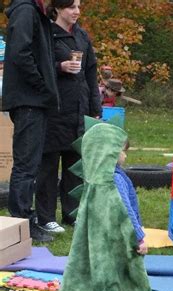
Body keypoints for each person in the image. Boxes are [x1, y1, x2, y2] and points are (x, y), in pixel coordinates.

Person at [52, 121, 153, 291]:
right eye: (121, 151)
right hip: (113, 245)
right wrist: (138, 238)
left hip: (96, 246)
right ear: (107, 152)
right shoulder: (111, 181)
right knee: (112, 281)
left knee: (98, 279)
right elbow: (125, 213)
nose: (125, 156)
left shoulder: (94, 181)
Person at [35, 0, 102, 234]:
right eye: (72, 7)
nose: (77, 12)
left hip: (79, 109)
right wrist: (59, 66)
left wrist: (95, 107)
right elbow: (36, 67)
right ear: (58, 9)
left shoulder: (81, 35)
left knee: (75, 166)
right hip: (54, 110)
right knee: (48, 165)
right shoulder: (46, 34)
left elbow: (91, 72)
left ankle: (72, 214)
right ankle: (45, 217)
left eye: (79, 7)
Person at [2, 0, 59, 242]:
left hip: (35, 99)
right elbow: (19, 53)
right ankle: (21, 221)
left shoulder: (37, 12)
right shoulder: (25, 11)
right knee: (26, 165)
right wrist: (41, 85)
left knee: (31, 163)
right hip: (29, 99)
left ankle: (26, 219)